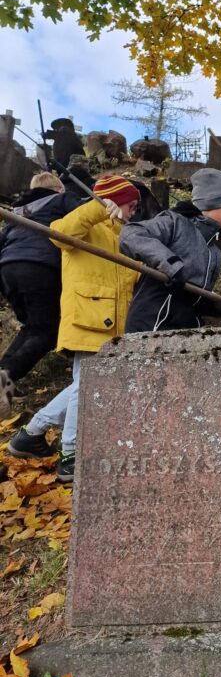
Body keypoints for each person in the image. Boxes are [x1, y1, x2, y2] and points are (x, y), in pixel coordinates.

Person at [7, 175, 141, 483]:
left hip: (113, 323)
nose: (134, 212)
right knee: (88, 384)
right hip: (88, 316)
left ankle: (33, 433)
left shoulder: (123, 234)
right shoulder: (86, 224)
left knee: (86, 383)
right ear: (114, 201)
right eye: (130, 205)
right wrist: (96, 208)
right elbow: (60, 233)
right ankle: (70, 455)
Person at [120, 168, 221, 332]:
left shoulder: (214, 253)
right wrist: (170, 263)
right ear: (211, 204)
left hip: (185, 330)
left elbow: (200, 299)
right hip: (151, 324)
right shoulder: (174, 222)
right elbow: (130, 235)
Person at [0, 172, 85, 415]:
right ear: (58, 188)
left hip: (8, 267)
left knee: (32, 326)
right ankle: (11, 373)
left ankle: (4, 373)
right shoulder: (62, 200)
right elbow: (84, 216)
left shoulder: (19, 213)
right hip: (40, 265)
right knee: (48, 331)